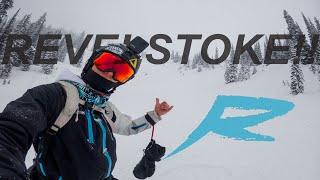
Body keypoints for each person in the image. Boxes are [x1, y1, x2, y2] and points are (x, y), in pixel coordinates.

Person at [0, 36, 173, 180]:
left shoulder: (104, 107)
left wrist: (155, 115)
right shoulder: (56, 95)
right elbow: (10, 131)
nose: (109, 73)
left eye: (121, 72)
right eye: (106, 63)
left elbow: (127, 127)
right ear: (91, 63)